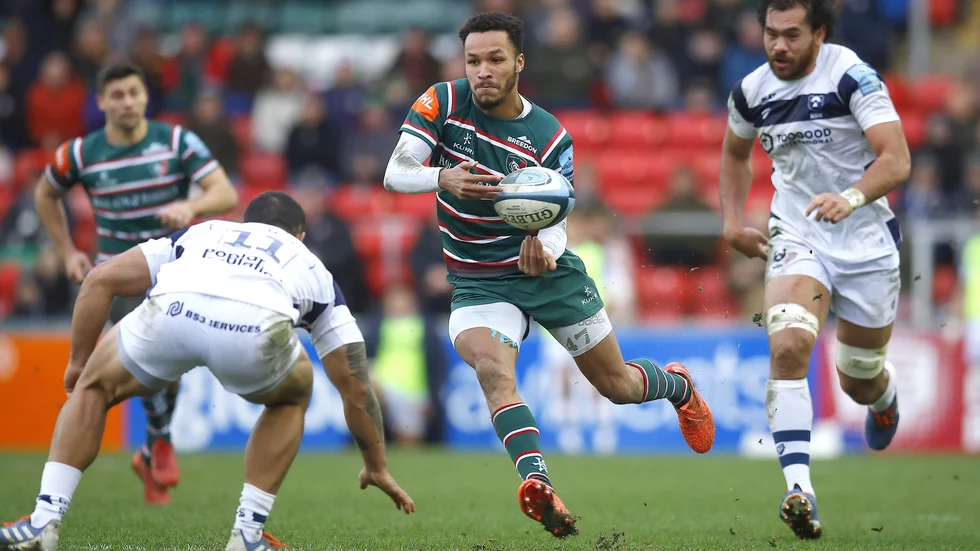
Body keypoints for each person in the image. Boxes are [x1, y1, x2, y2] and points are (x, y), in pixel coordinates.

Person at [383, 11, 715, 538]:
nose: (482, 71)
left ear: (518, 62)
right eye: (473, 60)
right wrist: (440, 175)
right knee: (494, 373)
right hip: (478, 280)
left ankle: (677, 386)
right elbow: (396, 172)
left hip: (546, 274)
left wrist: (543, 247)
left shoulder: (549, 136)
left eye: (495, 59)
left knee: (618, 386)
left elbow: (560, 216)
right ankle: (538, 483)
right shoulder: (441, 102)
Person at [0, 192, 415, 551]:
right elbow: (355, 386)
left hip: (173, 308)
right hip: (253, 327)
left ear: (244, 223)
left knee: (95, 387)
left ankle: (43, 520)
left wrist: (77, 365)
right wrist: (375, 464)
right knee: (293, 394)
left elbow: (99, 280)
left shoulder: (204, 232)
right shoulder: (312, 266)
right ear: (301, 236)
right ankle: (247, 532)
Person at [718, 0, 911, 540]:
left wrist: (850, 197)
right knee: (788, 346)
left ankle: (884, 395)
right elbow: (734, 156)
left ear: (819, 34)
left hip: (867, 240)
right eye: (771, 34)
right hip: (799, 232)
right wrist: (733, 221)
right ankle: (799, 489)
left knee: (857, 379)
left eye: (792, 35)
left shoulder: (851, 76)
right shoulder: (751, 91)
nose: (778, 46)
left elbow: (896, 158)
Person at [34, 61, 239, 504]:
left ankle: (153, 444)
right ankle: (151, 443)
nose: (127, 101)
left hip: (172, 271)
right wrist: (68, 250)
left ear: (146, 97)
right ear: (102, 102)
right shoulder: (81, 153)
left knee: (162, 363)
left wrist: (189, 206)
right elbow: (45, 193)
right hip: (113, 277)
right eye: (118, 95)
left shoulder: (176, 141)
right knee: (139, 366)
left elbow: (225, 191)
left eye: (134, 92)